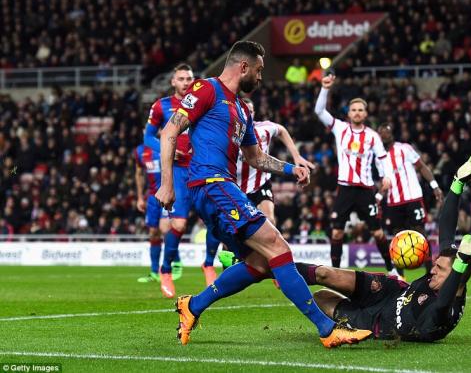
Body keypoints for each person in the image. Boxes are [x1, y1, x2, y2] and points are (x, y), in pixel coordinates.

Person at [155, 40, 373, 348]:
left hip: (222, 188)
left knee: (260, 264)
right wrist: (166, 184)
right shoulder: (207, 89)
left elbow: (256, 158)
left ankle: (192, 306)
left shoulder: (243, 111)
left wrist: (290, 169)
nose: (260, 78)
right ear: (243, 67)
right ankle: (327, 329)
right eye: (258, 71)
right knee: (278, 247)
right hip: (212, 184)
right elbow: (169, 131)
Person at [295, 151, 471, 342]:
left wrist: (462, 262)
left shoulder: (447, 314)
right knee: (324, 274)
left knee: (320, 298)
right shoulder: (445, 274)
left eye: (440, 269)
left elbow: (442, 305)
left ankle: (343, 325)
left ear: (457, 280)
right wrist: (457, 183)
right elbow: (446, 229)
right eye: (437, 265)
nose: (433, 269)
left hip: (377, 323)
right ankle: (278, 270)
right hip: (391, 291)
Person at [201, 97, 315, 286]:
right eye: (245, 111)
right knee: (229, 232)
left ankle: (277, 266)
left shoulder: (264, 128)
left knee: (270, 219)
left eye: (251, 111)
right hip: (235, 188)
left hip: (260, 184)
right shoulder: (228, 132)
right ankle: (216, 262)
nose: (248, 115)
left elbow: (282, 130)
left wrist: (296, 156)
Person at [314, 73, 397, 273]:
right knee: (336, 233)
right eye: (354, 110)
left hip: (365, 190)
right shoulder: (340, 128)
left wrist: (387, 175)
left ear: (366, 114)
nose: (357, 113)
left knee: (377, 232)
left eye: (361, 110)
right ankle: (336, 273)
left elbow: (383, 158)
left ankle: (391, 270)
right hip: (345, 189)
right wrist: (325, 88)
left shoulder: (373, 136)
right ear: (348, 113)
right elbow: (319, 111)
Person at [144, 63, 194, 298]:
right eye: (181, 78)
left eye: (189, 78)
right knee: (180, 225)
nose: (186, 82)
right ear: (173, 82)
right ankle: (165, 270)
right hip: (179, 171)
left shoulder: (202, 103)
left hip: (203, 167)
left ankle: (210, 265)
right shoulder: (161, 106)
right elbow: (148, 138)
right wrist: (168, 150)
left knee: (217, 219)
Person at [376, 122, 444, 273]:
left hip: (413, 198)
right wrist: (378, 196)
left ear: (391, 132)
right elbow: (384, 183)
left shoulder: (404, 148)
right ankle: (400, 281)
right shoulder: (378, 158)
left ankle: (430, 276)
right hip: (394, 202)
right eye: (380, 132)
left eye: (386, 131)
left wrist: (435, 186)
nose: (383, 135)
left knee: (420, 233)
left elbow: (421, 167)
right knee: (397, 239)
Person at [134, 143, 169, 283]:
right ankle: (154, 272)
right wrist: (139, 197)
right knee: (153, 232)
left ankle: (169, 269)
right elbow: (138, 173)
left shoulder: (167, 144)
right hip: (152, 198)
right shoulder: (140, 151)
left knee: (165, 228)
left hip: (168, 194)